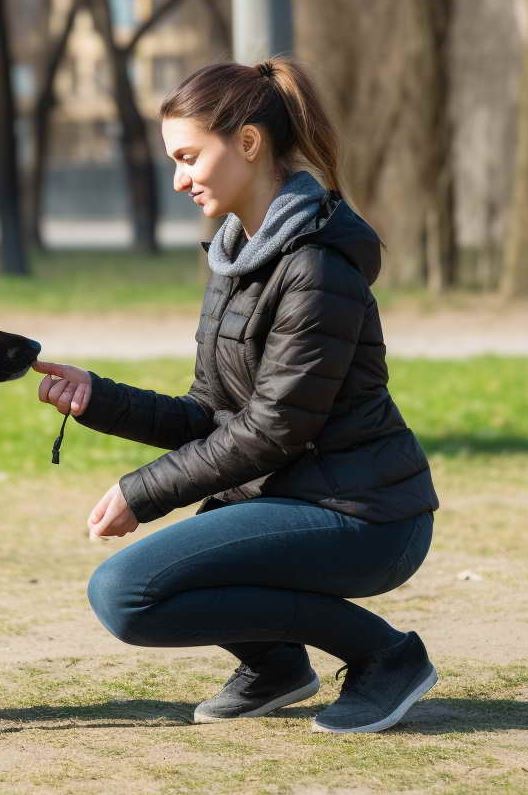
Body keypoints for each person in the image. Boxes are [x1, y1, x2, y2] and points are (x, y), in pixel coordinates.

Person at [32, 58, 440, 734]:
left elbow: (273, 429)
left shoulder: (315, 266)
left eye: (189, 157)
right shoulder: (235, 259)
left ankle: (386, 657)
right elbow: (210, 414)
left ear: (248, 142)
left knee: (126, 592)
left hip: (368, 517)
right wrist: (98, 399)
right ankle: (276, 666)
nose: (179, 179)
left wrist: (142, 492)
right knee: (137, 588)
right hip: (294, 501)